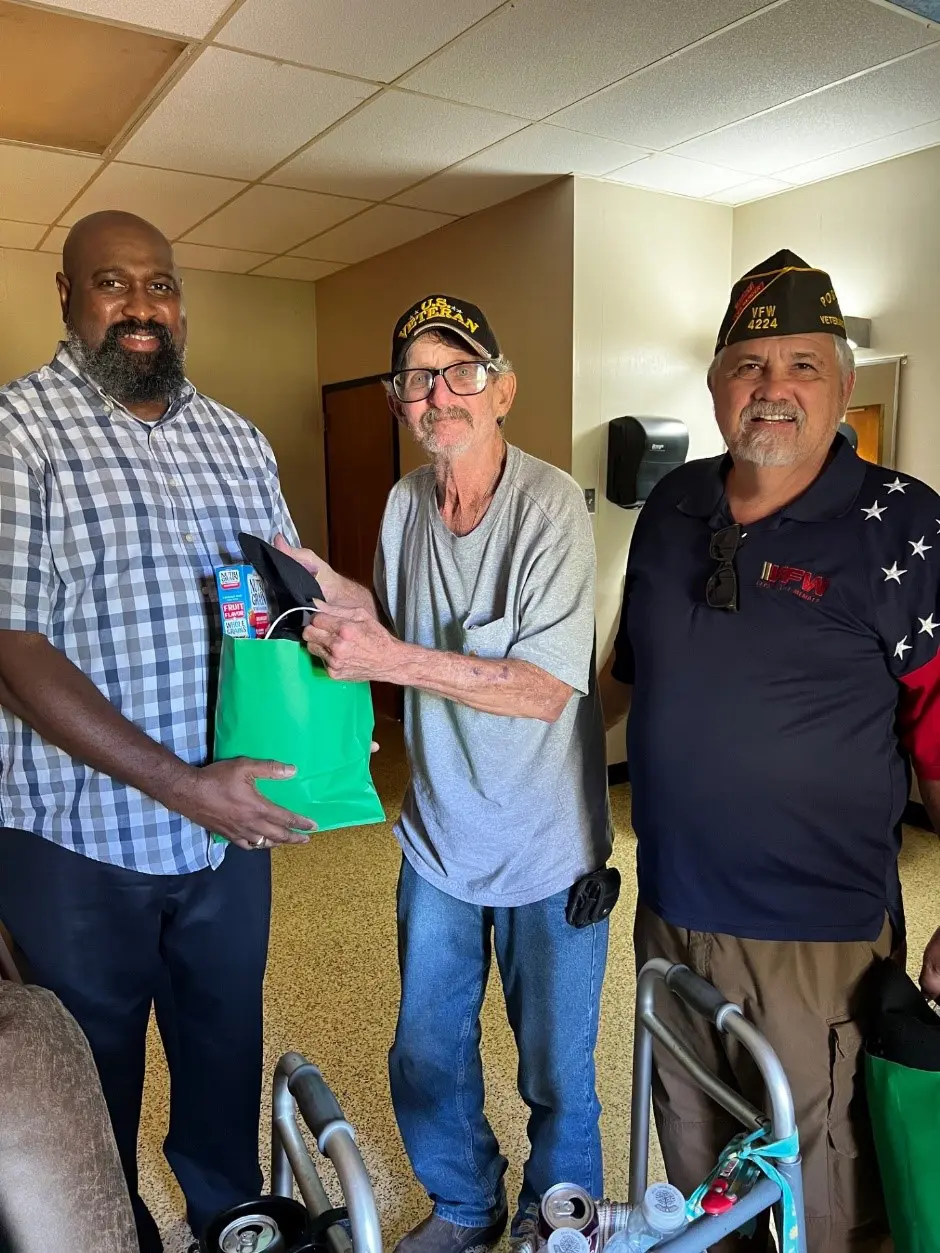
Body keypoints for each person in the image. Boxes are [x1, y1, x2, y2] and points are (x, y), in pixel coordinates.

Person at [599, 248, 940, 1252]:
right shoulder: (670, 508)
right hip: (670, 913)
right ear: (713, 386)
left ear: (841, 383)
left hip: (815, 937)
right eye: (749, 365)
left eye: (801, 364)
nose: (773, 388)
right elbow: (629, 680)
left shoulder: (904, 525)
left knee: (814, 1195)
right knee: (698, 1171)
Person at [0, 211, 318, 1253]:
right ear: (66, 295)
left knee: (223, 1041)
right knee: (89, 1067)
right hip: (77, 841)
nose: (142, 305)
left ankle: (228, 1210)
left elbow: (283, 603)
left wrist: (326, 710)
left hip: (229, 837)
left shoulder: (237, 437)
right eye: (112, 282)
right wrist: (186, 784)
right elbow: (11, 647)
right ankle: (107, 1228)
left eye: (161, 284)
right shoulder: (19, 432)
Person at [278, 295, 611, 1253]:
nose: (440, 393)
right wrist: (325, 588)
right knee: (426, 1052)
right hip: (436, 839)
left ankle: (561, 1221)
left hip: (549, 850)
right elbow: (398, 614)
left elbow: (546, 690)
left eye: (461, 371)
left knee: (556, 1069)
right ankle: (467, 1205)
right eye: (418, 378)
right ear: (398, 402)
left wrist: (388, 659)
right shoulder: (401, 503)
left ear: (502, 389)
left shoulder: (550, 507)